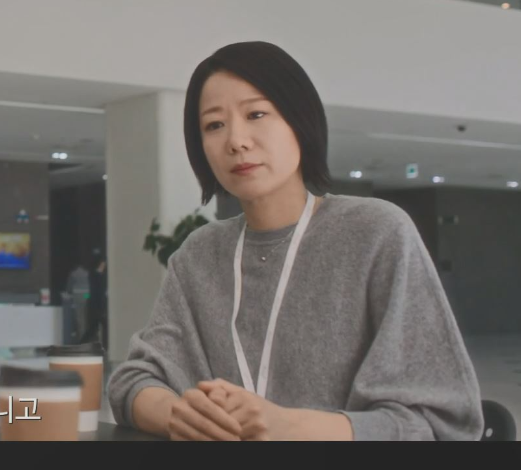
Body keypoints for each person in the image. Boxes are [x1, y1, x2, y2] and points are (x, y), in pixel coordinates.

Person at [106, 41, 484, 441]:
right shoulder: (200, 254)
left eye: (256, 114)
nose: (236, 141)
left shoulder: (376, 232)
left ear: (299, 120)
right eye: (214, 125)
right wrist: (177, 414)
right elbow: (133, 381)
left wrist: (286, 426)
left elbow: (439, 425)